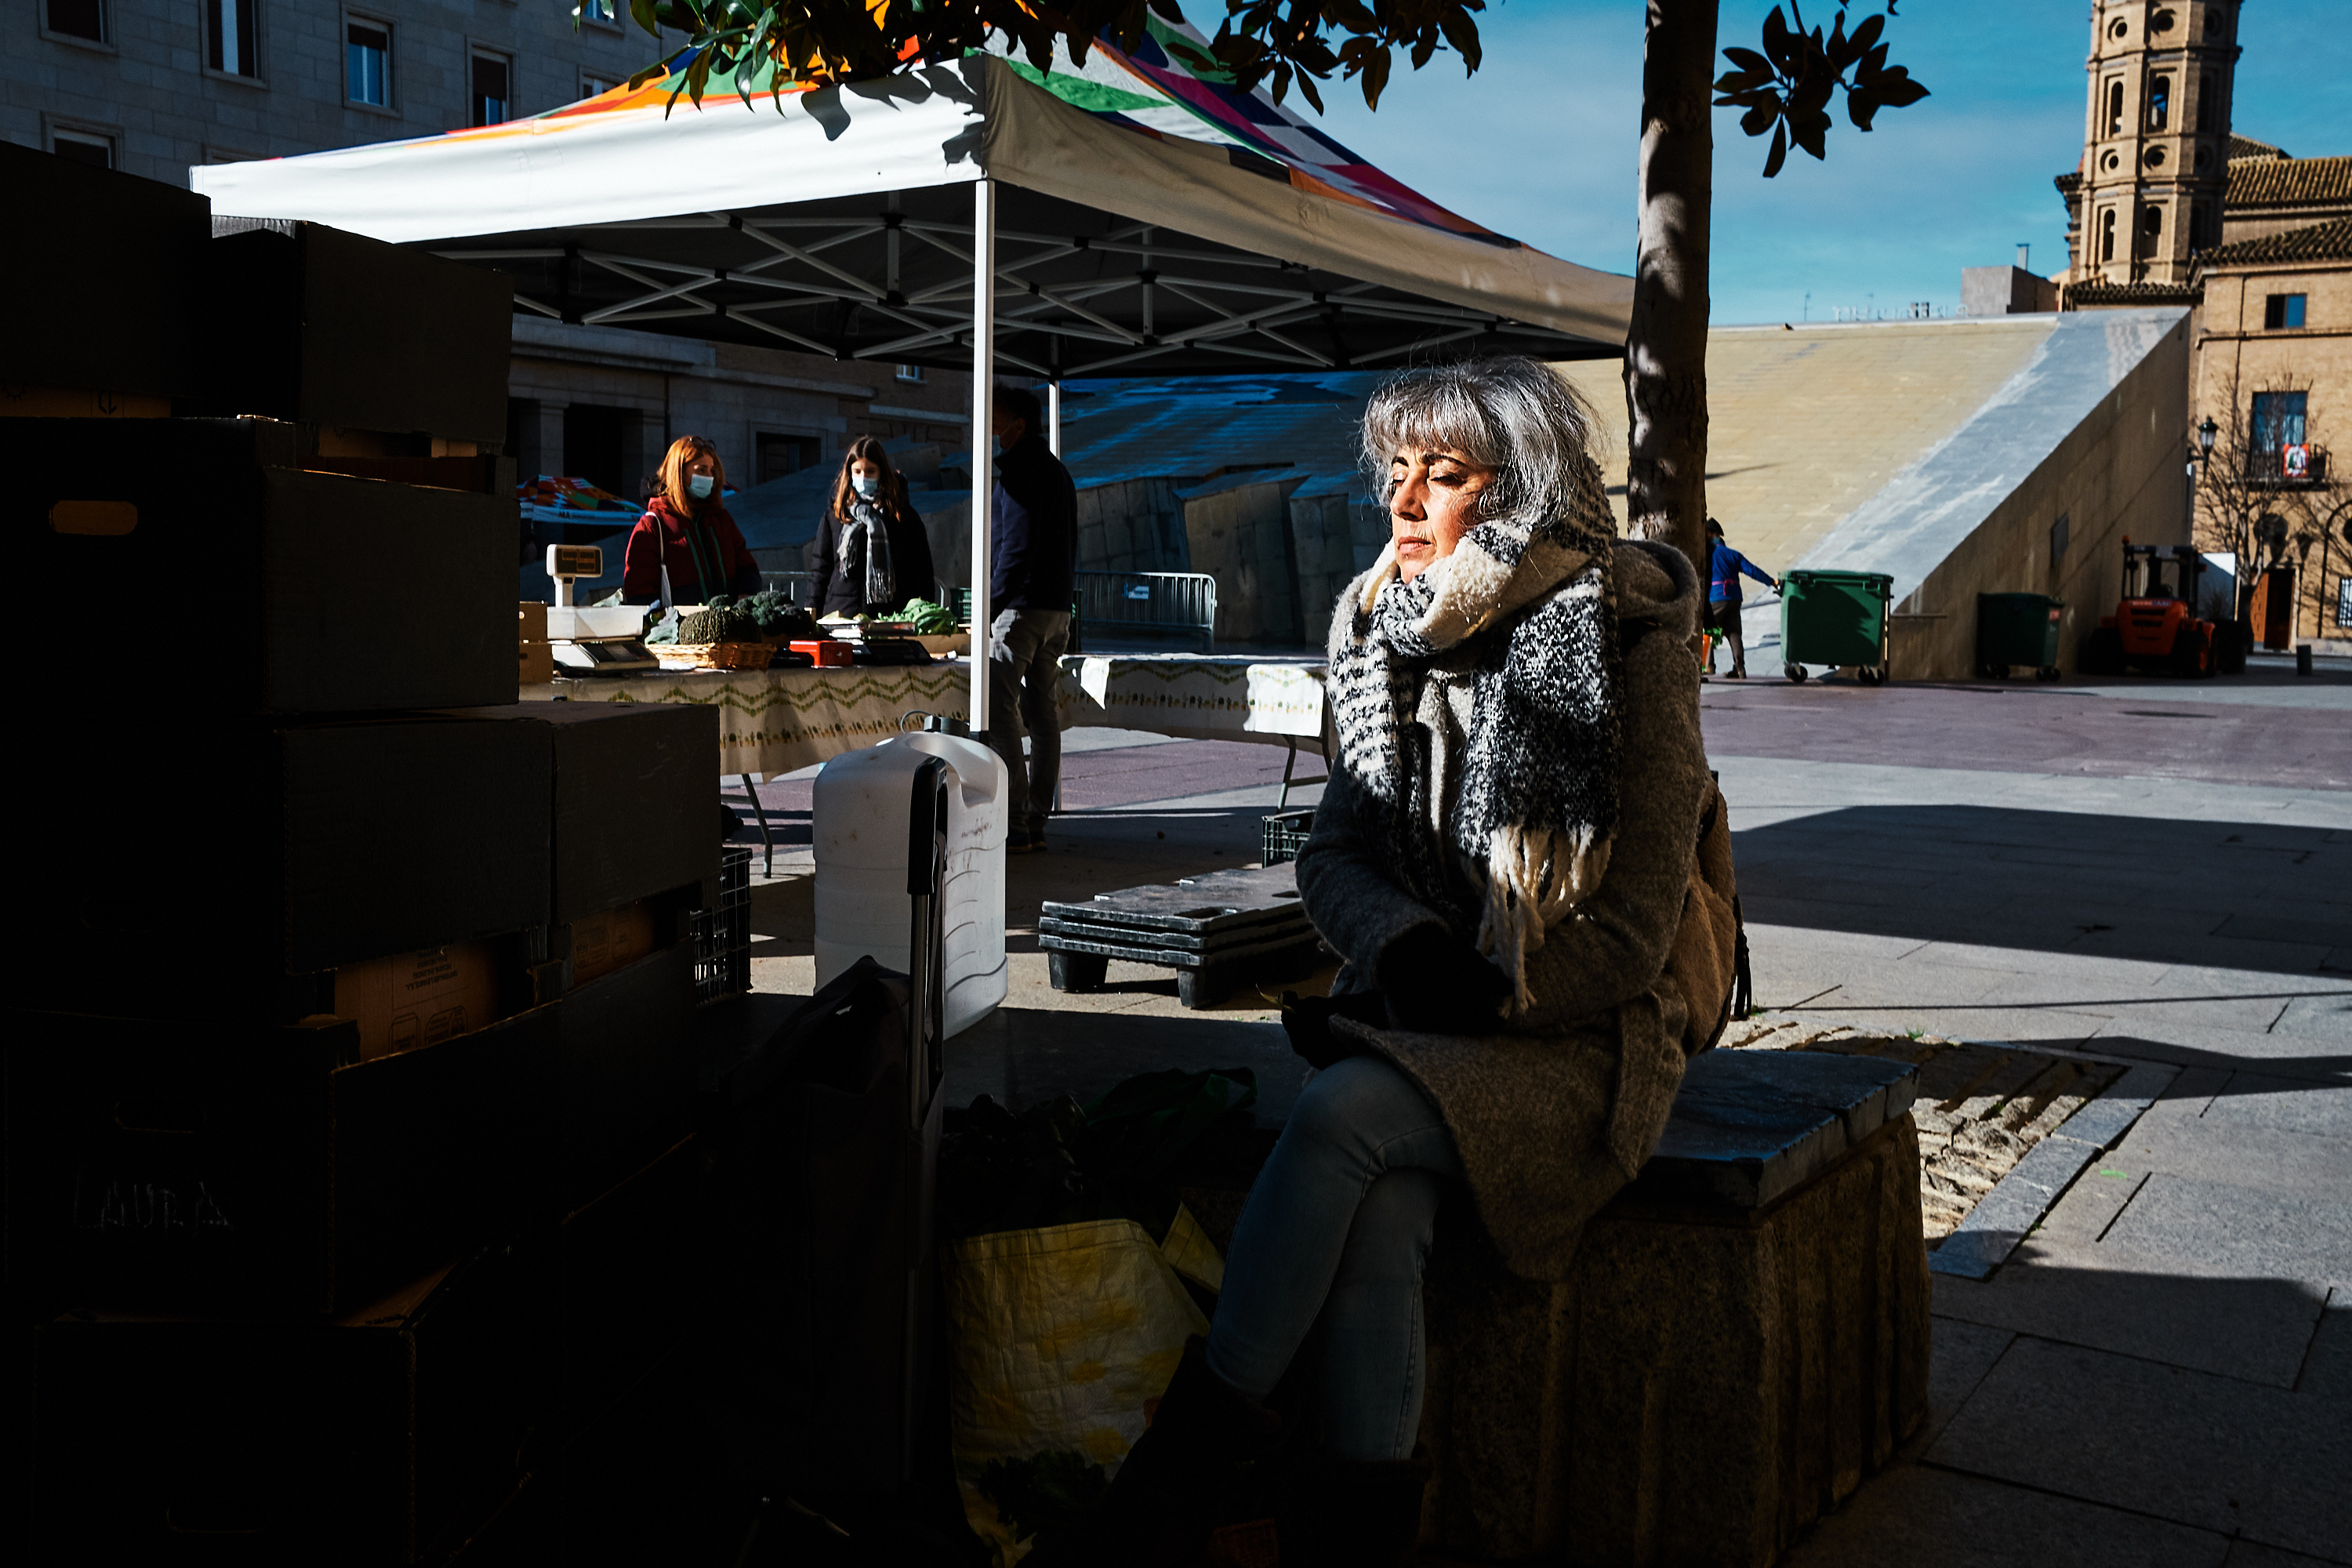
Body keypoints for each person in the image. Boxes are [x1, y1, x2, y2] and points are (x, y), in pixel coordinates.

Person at [1025, 359, 1714, 1567]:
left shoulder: (1623, 631)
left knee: (1345, 1116)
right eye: (1395, 474)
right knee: (1383, 1213)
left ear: (1520, 499)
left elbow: (1640, 918)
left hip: (1579, 1038)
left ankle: (1171, 1488)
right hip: (1424, 1009)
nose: (1403, 504)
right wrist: (1405, 944)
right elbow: (1334, 853)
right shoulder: (1376, 631)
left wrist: (1492, 995)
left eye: (1443, 478)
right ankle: (1360, 1539)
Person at [983, 385, 1076, 855]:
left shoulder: (1020, 473)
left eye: (995, 417)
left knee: (999, 706)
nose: (989, 425)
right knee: (1042, 711)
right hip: (1056, 609)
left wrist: (989, 609)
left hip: (1022, 609)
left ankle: (1015, 818)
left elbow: (1014, 552)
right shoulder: (1058, 473)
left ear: (1017, 425)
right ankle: (1036, 818)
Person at [620, 435, 762, 608]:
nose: (709, 477)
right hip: (681, 630)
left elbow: (748, 569)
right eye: (701, 470)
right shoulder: (652, 526)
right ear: (678, 473)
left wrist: (745, 595)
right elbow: (640, 594)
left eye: (711, 470)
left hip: (729, 627)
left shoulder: (721, 519)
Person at [807, 437, 938, 616]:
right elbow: (821, 569)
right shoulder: (837, 515)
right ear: (849, 473)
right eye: (857, 471)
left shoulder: (903, 517)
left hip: (889, 620)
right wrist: (811, 610)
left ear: (881, 472)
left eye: (870, 471)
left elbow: (921, 573)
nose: (863, 477)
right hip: (840, 617)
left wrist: (924, 614)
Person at [1704, 517, 1780, 679]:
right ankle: (1739, 669)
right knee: (1734, 633)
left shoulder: (1707, 554)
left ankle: (1708, 666)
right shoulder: (1733, 555)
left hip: (1716, 597)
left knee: (1706, 630)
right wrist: (1772, 582)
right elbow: (1752, 570)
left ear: (1711, 534)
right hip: (1735, 597)